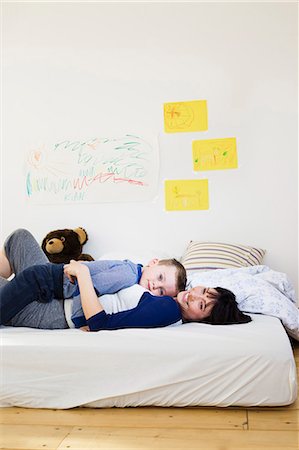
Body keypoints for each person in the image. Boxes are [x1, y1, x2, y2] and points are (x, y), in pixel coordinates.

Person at [0, 229, 252, 330]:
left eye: (202, 305)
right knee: (19, 237)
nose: (195, 296)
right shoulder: (156, 291)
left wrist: (83, 272)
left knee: (28, 277)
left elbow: (100, 321)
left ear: (205, 319)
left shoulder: (166, 309)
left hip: (52, 309)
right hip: (56, 289)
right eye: (203, 291)